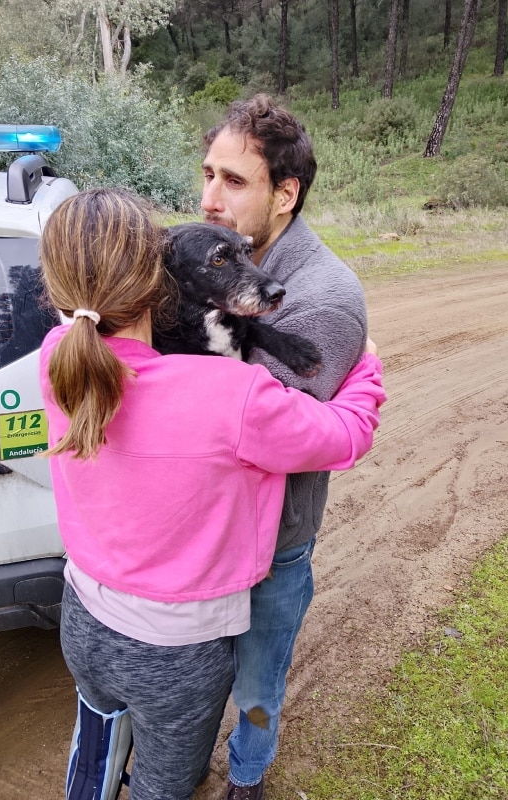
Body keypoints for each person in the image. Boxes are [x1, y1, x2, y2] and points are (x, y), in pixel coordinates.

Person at [38, 188, 384, 800]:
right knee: (163, 785)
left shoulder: (58, 358)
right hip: (175, 652)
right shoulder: (231, 393)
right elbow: (346, 435)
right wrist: (364, 367)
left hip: (83, 618)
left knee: (95, 747)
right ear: (160, 278)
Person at [201, 94, 371, 798]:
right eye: (207, 172)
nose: (210, 197)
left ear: (285, 194)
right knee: (191, 674)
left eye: (234, 181)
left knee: (258, 681)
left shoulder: (324, 296)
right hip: (200, 534)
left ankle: (248, 776)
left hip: (271, 544)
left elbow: (257, 431)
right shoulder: (210, 256)